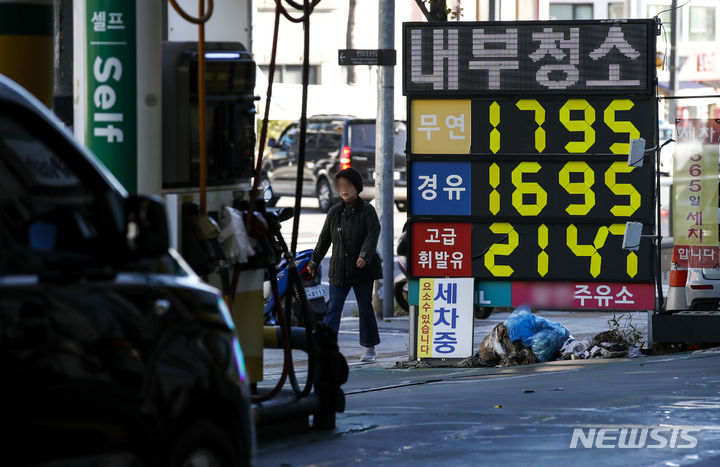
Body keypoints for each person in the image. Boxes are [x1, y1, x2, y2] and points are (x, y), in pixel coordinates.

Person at [308, 168, 382, 362]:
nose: (344, 190)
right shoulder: (334, 212)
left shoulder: (367, 210)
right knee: (333, 309)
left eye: (348, 186)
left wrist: (365, 256)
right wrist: (314, 260)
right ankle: (327, 348)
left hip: (362, 269)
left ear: (357, 188)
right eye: (341, 186)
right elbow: (324, 239)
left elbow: (373, 233)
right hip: (339, 268)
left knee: (365, 307)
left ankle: (370, 349)